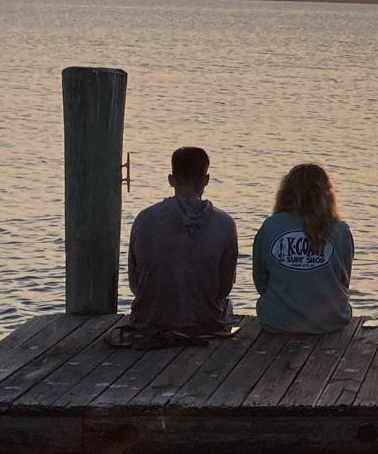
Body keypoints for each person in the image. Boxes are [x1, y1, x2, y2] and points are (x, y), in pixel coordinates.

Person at [117, 146, 239, 347]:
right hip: (205, 324)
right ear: (206, 180)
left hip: (149, 322)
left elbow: (135, 284)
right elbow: (224, 289)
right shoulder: (225, 223)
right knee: (229, 305)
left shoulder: (144, 218)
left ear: (171, 179)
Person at [253, 163, 355, 334]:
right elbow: (343, 281)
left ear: (286, 193)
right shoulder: (340, 229)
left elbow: (261, 282)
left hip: (277, 321)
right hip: (330, 322)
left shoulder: (270, 226)